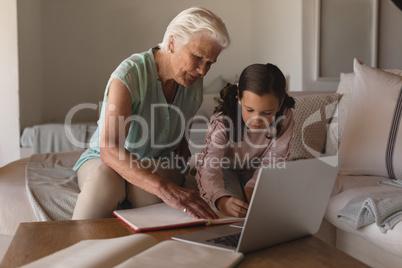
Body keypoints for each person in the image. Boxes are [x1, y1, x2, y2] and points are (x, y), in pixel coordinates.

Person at [72, 7, 230, 220]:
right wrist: (165, 188)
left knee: (146, 189)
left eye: (210, 63)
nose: (203, 70)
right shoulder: (129, 75)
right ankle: (76, 249)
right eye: (197, 57)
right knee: (104, 179)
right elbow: (109, 149)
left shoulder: (193, 81)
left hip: (157, 162)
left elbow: (182, 126)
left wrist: (181, 142)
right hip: (106, 161)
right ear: (172, 43)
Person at [195, 63, 295, 217]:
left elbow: (275, 158)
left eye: (267, 112)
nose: (257, 119)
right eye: (249, 110)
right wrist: (221, 200)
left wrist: (253, 187)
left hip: (259, 171)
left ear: (280, 104)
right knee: (236, 205)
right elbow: (210, 167)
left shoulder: (285, 116)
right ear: (239, 97)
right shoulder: (222, 122)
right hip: (225, 170)